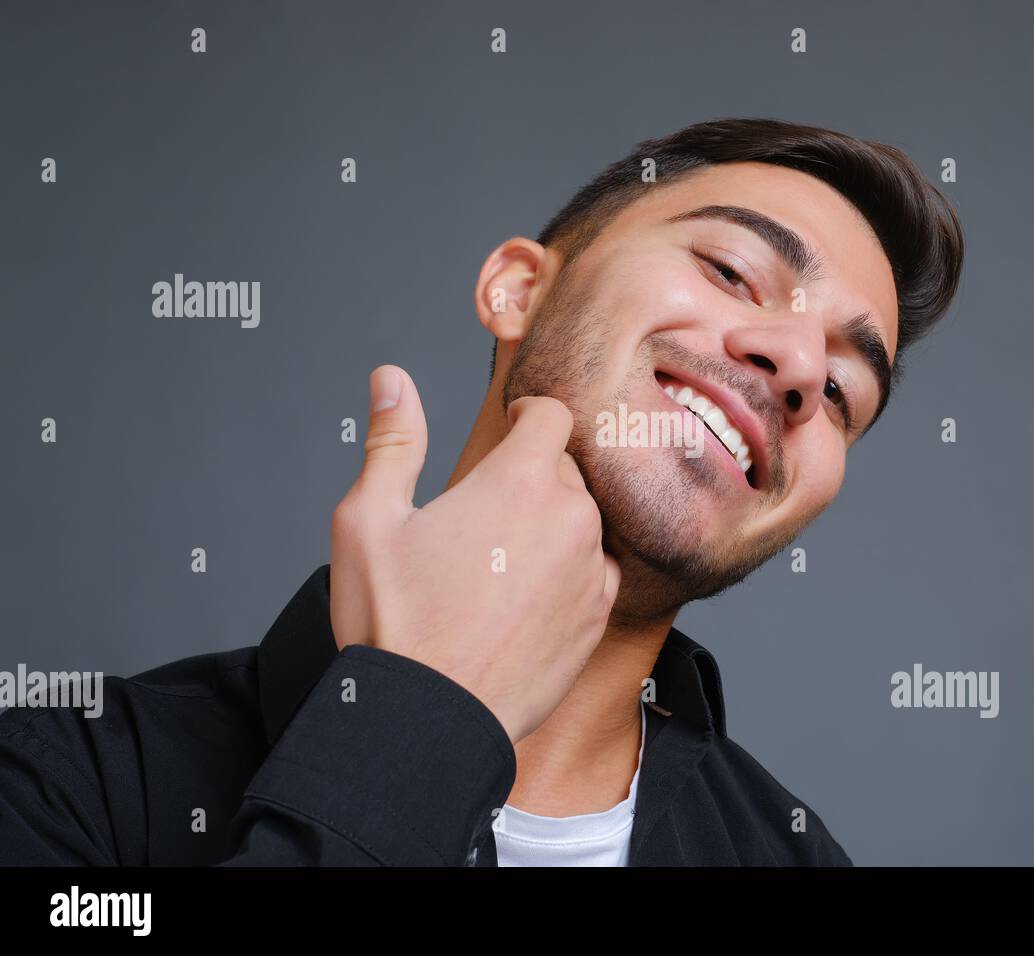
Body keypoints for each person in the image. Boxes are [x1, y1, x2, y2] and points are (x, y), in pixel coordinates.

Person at [0, 118, 963, 866]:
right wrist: (424, 717)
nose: (797, 364)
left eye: (842, 392)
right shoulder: (60, 789)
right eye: (730, 269)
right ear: (518, 290)